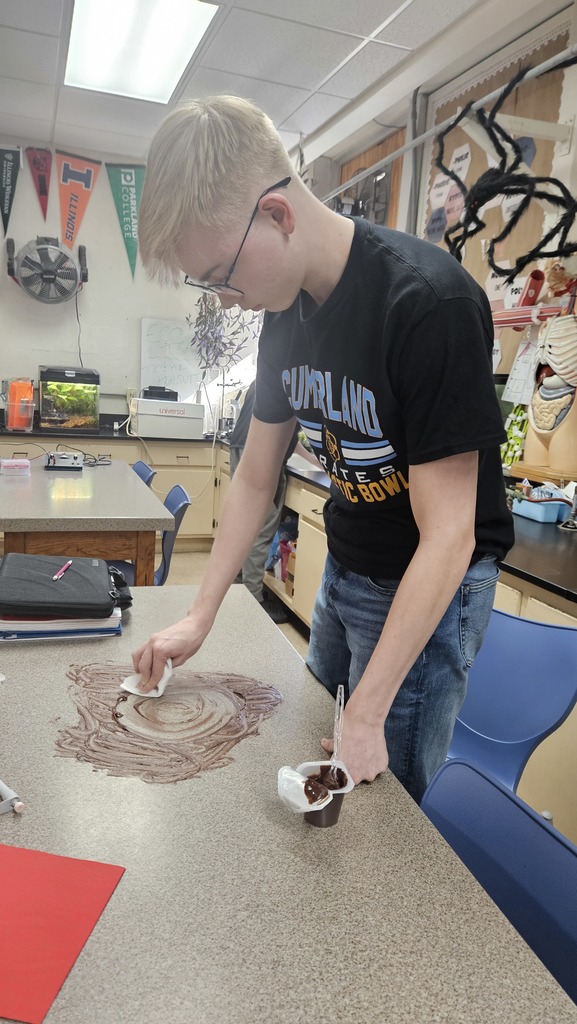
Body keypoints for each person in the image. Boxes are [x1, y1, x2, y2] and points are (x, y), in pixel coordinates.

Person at [133, 95, 514, 803]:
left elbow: (450, 535)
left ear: (277, 215)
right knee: (315, 749)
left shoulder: (428, 304)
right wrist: (200, 613)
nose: (224, 300)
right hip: (347, 565)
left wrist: (368, 711)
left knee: (382, 800)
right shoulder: (284, 312)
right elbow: (255, 478)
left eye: (221, 276)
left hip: (425, 588)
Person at [229, 378, 297, 623]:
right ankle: (254, 599)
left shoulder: (266, 374)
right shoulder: (300, 376)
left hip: (240, 447)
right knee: (261, 527)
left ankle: (238, 584)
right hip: (264, 453)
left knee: (242, 523)